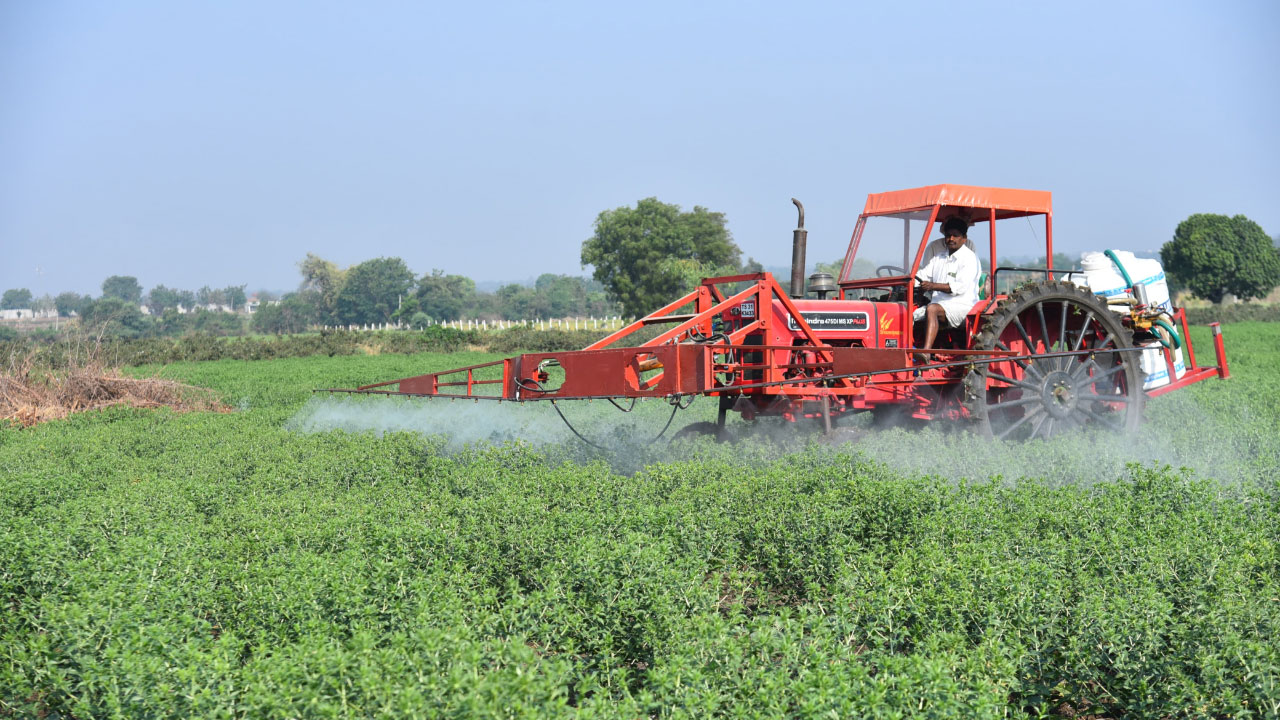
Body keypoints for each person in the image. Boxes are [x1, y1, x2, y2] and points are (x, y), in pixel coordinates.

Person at [913, 216, 981, 358]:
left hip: (963, 306)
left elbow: (959, 287)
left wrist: (932, 286)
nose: (951, 239)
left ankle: (926, 352)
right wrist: (909, 280)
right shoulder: (939, 257)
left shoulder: (969, 258)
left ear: (964, 238)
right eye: (948, 235)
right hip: (941, 305)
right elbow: (923, 275)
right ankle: (910, 350)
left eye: (955, 235)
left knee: (932, 309)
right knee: (907, 313)